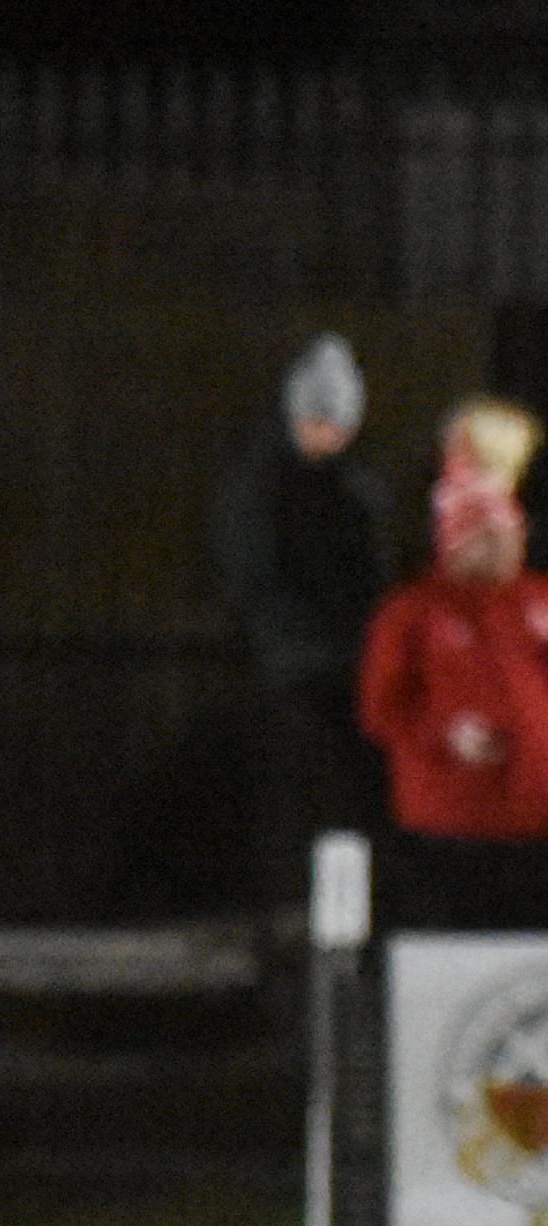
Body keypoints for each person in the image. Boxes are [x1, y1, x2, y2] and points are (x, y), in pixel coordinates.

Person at [358, 397, 548, 929]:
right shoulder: (410, 614)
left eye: (510, 533)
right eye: (488, 537)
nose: (504, 548)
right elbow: (381, 710)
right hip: (451, 827)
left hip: (535, 823)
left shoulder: (539, 601)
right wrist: (446, 735)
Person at [216, 335, 395, 853]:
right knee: (299, 794)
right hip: (293, 668)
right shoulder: (263, 486)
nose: (331, 435)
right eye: (321, 421)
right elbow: (255, 576)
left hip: (347, 666)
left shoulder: (356, 485)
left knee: (348, 797)